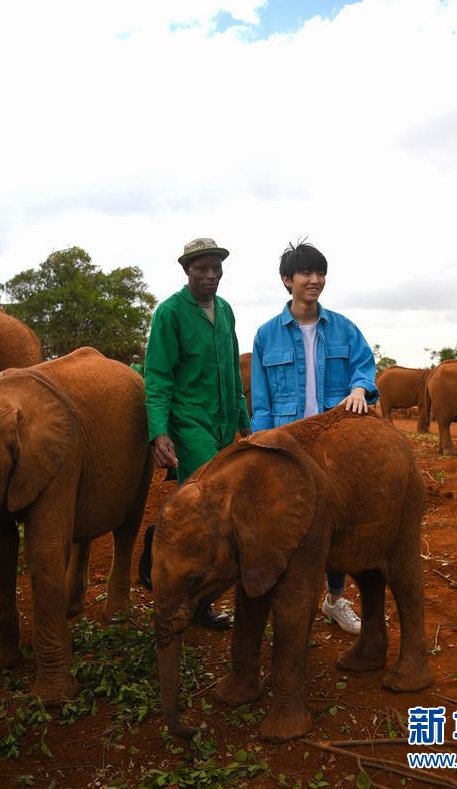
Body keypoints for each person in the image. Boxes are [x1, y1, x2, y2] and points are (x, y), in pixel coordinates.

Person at [251, 241, 378, 634]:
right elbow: (261, 400)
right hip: (289, 442)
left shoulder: (343, 327)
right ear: (287, 280)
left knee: (338, 520)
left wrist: (359, 389)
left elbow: (364, 367)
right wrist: (264, 443)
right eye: (306, 273)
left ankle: (334, 599)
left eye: (320, 273)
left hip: (335, 440)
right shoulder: (266, 335)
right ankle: (292, 599)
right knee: (287, 520)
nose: (315, 280)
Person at [139, 237, 251, 629]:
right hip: (189, 421)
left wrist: (243, 418)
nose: (210, 275)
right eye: (201, 268)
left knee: (208, 504)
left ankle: (160, 539)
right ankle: (186, 595)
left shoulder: (225, 311)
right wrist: (159, 432)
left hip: (221, 422)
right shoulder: (170, 313)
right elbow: (157, 376)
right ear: (187, 271)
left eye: (215, 268)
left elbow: (232, 372)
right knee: (210, 504)